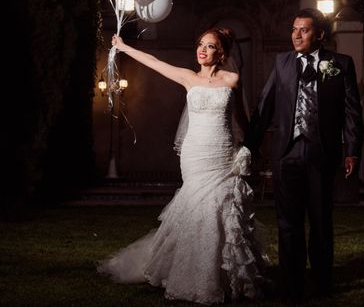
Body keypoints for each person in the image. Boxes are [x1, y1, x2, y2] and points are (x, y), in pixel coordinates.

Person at [97, 28, 269, 304]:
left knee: (222, 207)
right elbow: (155, 63)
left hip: (223, 153)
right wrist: (125, 47)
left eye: (209, 46)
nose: (202, 49)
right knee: (198, 206)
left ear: (221, 53)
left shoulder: (232, 80)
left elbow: (241, 119)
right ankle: (192, 271)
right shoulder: (188, 78)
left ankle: (225, 275)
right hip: (195, 154)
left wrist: (249, 148)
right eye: (200, 44)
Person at [246, 8, 364, 303]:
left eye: (305, 30)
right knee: (288, 223)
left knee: (321, 220)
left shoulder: (340, 64)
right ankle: (292, 283)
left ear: (320, 35)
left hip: (322, 151)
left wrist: (352, 150)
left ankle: (323, 282)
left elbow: (352, 111)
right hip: (286, 152)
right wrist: (249, 146)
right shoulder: (282, 62)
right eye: (294, 29)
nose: (296, 35)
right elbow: (265, 105)